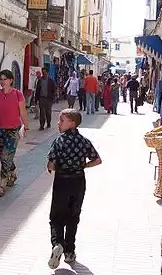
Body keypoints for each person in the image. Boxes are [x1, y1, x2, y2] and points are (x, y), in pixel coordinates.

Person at [46, 109, 102, 269]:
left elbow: (51, 164)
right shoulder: (84, 141)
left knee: (56, 217)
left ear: (72, 123)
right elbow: (97, 160)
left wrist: (55, 166)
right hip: (78, 182)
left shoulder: (59, 141)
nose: (58, 123)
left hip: (62, 181)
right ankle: (69, 252)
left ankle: (57, 244)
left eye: (61, 120)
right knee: (73, 217)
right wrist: (83, 165)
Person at [0, 70, 29, 197]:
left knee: (6, 157)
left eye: (5, 79)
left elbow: (22, 112)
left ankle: (2, 185)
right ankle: (13, 174)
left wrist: (26, 126)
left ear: (11, 80)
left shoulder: (18, 94)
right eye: (1, 79)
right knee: (4, 157)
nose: (2, 82)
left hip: (12, 130)